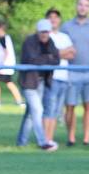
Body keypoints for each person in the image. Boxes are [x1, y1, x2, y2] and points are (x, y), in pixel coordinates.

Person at [61, 0, 89, 146]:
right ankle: (71, 137)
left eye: (86, 5)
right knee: (70, 106)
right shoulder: (66, 26)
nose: (83, 7)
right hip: (72, 71)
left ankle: (86, 138)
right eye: (80, 4)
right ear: (76, 6)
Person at [17, 19, 60, 151]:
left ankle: (21, 142)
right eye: (42, 32)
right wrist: (48, 58)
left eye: (46, 32)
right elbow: (32, 60)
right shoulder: (29, 42)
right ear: (38, 31)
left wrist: (46, 59)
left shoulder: (50, 42)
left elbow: (56, 60)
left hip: (41, 82)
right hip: (29, 82)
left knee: (31, 113)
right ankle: (43, 142)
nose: (44, 35)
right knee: (38, 110)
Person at [42, 8, 75, 145]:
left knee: (56, 110)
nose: (53, 19)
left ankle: (50, 138)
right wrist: (60, 53)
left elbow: (72, 53)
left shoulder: (64, 36)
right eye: (50, 17)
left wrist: (55, 54)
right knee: (49, 108)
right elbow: (46, 56)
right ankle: (45, 139)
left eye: (56, 17)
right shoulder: (45, 37)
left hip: (63, 77)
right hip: (51, 77)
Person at [0, 20, 23, 107]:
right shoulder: (6, 37)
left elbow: (6, 52)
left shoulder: (2, 38)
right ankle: (19, 101)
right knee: (8, 82)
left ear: (0, 28)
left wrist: (2, 64)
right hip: (7, 65)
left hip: (5, 65)